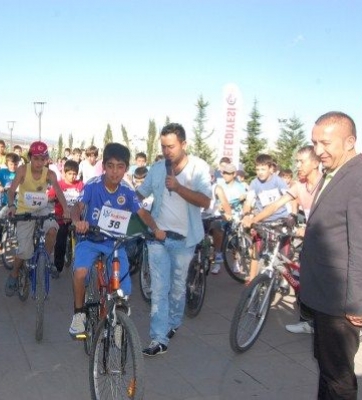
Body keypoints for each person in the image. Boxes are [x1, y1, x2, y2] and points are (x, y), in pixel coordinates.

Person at [300, 111, 362, 399]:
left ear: (350, 142)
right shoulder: (334, 173)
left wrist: (357, 304)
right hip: (325, 295)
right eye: (314, 143)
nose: (318, 150)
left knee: (338, 378)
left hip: (341, 300)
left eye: (325, 143)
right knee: (328, 368)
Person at [68, 143, 160, 337]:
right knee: (80, 273)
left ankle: (117, 322)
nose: (115, 171)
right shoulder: (93, 185)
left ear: (126, 168)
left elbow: (142, 213)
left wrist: (156, 229)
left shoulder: (127, 191)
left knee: (122, 290)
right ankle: (79, 314)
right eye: (110, 166)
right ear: (104, 166)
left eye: (120, 166)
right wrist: (78, 221)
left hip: (115, 244)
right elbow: (77, 206)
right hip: (90, 238)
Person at [136, 123, 211, 356]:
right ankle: (159, 338)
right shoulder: (157, 168)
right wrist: (123, 198)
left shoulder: (198, 168)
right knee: (159, 289)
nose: (167, 151)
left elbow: (205, 201)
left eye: (171, 146)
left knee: (177, 289)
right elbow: (140, 194)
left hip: (185, 241)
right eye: (163, 146)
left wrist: (178, 188)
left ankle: (174, 322)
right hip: (158, 237)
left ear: (183, 144)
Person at [243, 146, 322, 333]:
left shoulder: (325, 184)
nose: (297, 166)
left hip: (325, 239)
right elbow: (275, 205)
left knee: (318, 280)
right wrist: (253, 219)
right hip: (309, 238)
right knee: (298, 277)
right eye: (297, 161)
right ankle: (307, 320)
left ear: (315, 163)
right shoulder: (299, 186)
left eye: (301, 161)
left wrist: (304, 225)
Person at [4, 141, 70, 296]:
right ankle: (14, 274)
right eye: (36, 159)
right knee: (24, 251)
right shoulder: (22, 170)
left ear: (47, 159)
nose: (39, 162)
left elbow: (59, 193)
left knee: (53, 229)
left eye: (43, 159)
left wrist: (66, 209)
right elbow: (11, 191)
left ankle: (45, 261)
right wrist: (12, 206)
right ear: (30, 158)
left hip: (42, 209)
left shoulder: (50, 174)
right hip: (24, 212)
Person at [241, 154, 289, 283]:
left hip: (280, 220)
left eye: (263, 169)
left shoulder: (278, 181)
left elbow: (290, 198)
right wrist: (246, 215)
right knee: (256, 250)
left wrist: (292, 216)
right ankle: (252, 279)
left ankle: (284, 279)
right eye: (257, 169)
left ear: (270, 169)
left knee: (284, 253)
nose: (260, 172)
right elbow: (248, 201)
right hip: (262, 221)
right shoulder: (254, 183)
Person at [47, 159, 83, 276]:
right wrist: (52, 198)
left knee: (83, 241)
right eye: (70, 173)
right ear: (64, 173)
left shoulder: (81, 185)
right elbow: (50, 197)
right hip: (62, 218)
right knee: (60, 242)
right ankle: (58, 267)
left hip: (77, 218)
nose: (72, 176)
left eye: (74, 174)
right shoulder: (59, 184)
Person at [210, 163, 247, 274]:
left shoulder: (240, 186)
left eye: (228, 173)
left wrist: (241, 200)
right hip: (221, 214)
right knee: (218, 233)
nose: (225, 175)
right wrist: (219, 206)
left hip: (235, 215)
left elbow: (244, 198)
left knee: (235, 240)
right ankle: (217, 261)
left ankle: (236, 263)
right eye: (224, 173)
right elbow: (214, 200)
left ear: (234, 174)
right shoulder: (219, 184)